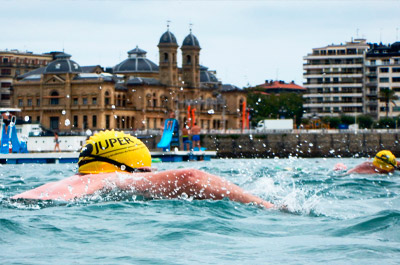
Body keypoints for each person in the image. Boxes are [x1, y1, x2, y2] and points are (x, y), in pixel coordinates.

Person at [11, 130, 274, 209]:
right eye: (146, 171)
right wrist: (265, 205)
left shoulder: (64, 183)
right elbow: (191, 177)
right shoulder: (114, 178)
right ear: (126, 167)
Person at [334, 150, 399, 174]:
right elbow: (344, 176)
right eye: (390, 169)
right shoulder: (365, 171)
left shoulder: (389, 163)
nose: (392, 170)